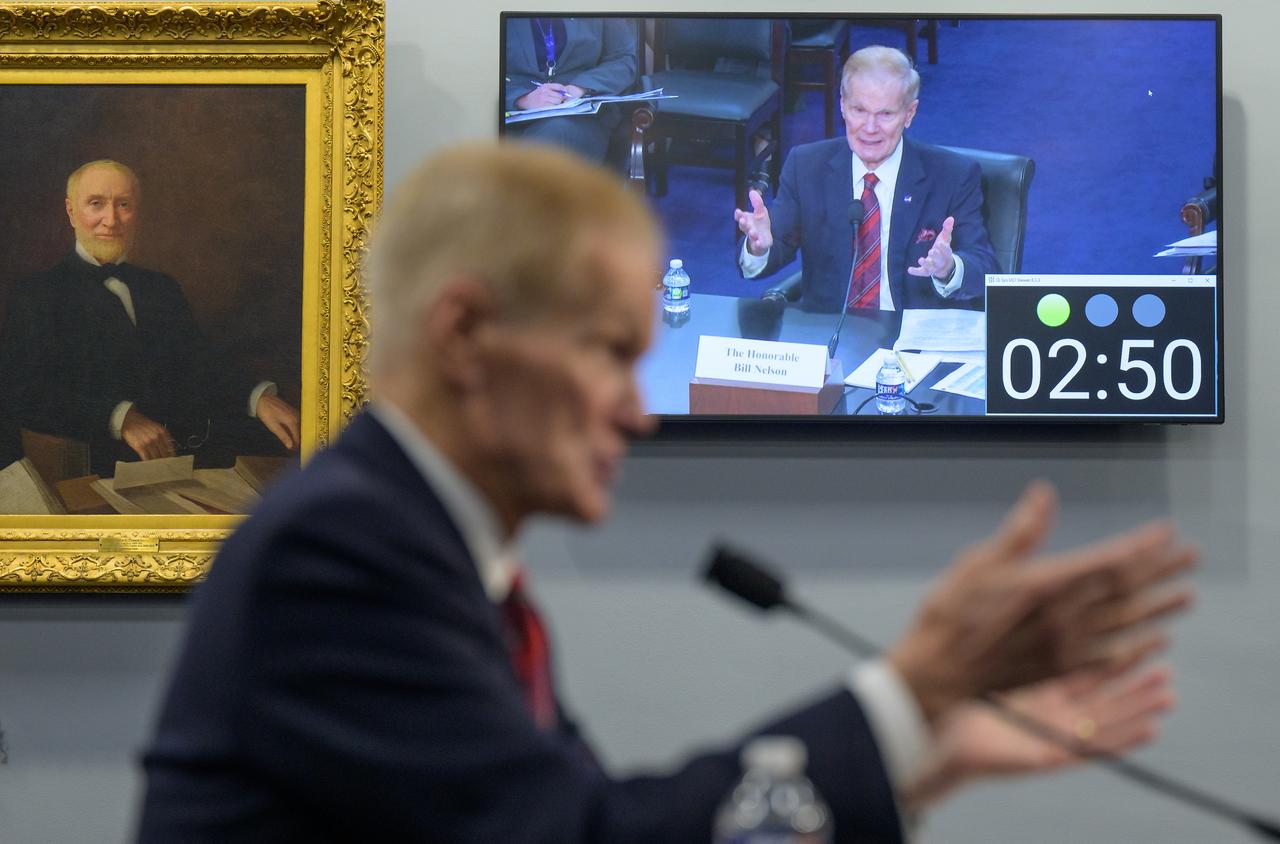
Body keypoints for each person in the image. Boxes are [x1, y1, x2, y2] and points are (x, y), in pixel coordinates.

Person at [136, 143, 1195, 842]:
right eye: (608, 352)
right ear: (464, 334)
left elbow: (582, 815)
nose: (636, 412)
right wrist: (901, 697)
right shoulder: (342, 553)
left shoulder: (424, 548)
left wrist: (923, 750)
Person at [0, 159, 300, 476]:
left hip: (189, 460)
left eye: (124, 205)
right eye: (96, 204)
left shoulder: (161, 288)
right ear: (72, 212)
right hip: (99, 469)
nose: (111, 219)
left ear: (137, 213)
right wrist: (120, 417)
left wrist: (257, 397)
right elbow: (24, 393)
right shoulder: (37, 294)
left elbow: (199, 364)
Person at [735, 45, 999, 313]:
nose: (870, 128)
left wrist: (949, 268)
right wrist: (758, 248)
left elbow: (985, 267)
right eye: (859, 110)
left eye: (885, 114)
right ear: (842, 106)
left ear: (909, 114)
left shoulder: (952, 175)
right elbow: (775, 247)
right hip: (832, 335)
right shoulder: (806, 166)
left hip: (912, 340)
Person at [503, 17, 637, 162]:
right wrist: (521, 99)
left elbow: (623, 61)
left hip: (582, 117)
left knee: (554, 133)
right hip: (508, 116)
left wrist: (579, 88)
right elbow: (480, 70)